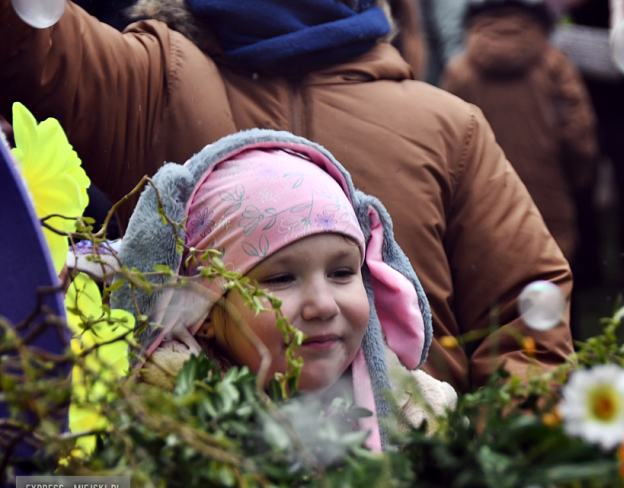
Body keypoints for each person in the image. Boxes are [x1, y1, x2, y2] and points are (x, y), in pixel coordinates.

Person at [0, 0, 573, 392]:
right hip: (202, 478)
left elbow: (527, 324)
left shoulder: (450, 126)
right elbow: (23, 34)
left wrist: (470, 476)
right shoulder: (148, 78)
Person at [107, 129, 457, 450]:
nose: (322, 305)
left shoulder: (425, 419)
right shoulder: (154, 430)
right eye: (280, 279)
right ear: (203, 311)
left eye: (341, 272)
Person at [441, 0, 598, 264]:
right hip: (549, 199)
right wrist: (577, 177)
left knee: (491, 285)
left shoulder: (459, 72)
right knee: (553, 281)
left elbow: (444, 141)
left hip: (481, 205)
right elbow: (578, 134)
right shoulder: (553, 63)